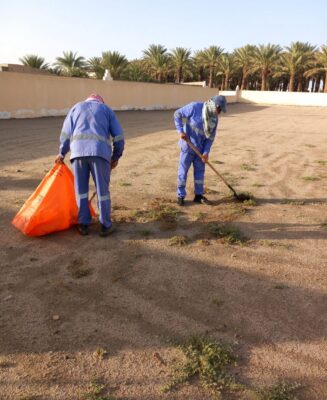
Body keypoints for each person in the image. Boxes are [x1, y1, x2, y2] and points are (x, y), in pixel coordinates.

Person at [55, 93, 125, 236]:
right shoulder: (106, 110)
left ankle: (83, 224)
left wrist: (62, 153)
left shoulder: (75, 108)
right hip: (100, 154)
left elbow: (65, 134)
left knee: (81, 191)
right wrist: (116, 156)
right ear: (101, 102)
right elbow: (118, 137)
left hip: (78, 154)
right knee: (102, 192)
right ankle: (105, 225)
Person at [173, 95, 227, 205]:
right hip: (187, 147)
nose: (219, 112)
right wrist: (181, 131)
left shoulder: (214, 120)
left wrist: (206, 152)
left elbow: (210, 138)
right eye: (219, 109)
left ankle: (198, 195)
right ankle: (181, 196)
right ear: (214, 106)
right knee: (182, 173)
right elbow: (177, 114)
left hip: (200, 151)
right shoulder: (195, 107)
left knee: (199, 174)